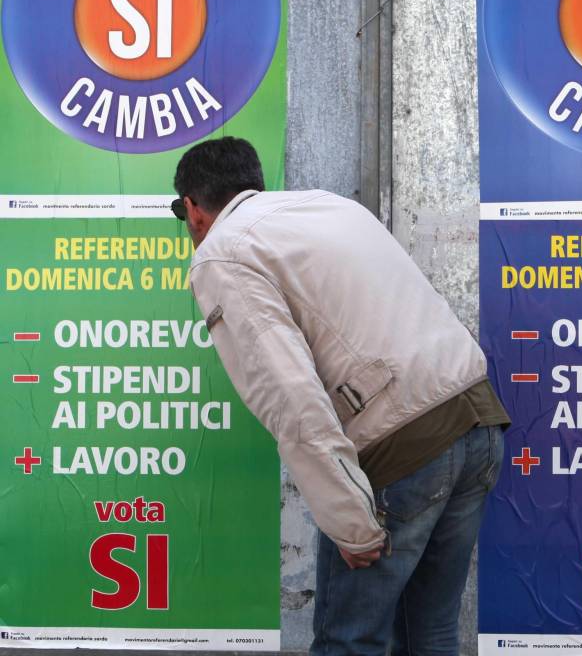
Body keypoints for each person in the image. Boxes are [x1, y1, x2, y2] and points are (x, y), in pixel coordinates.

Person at [172, 137, 509, 656]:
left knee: (350, 642)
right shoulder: (330, 207)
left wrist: (351, 523)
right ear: (253, 183)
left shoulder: (224, 253)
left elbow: (291, 398)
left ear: (193, 209)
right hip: (478, 420)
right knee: (431, 633)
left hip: (404, 452)